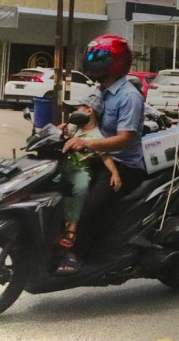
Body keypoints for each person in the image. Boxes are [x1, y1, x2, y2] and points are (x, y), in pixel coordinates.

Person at [62, 35, 146, 259]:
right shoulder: (99, 90)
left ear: (116, 63)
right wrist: (64, 128)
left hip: (125, 165)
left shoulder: (129, 97)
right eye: (90, 56)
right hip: (99, 157)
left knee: (91, 204)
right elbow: (85, 115)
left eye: (98, 57)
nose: (92, 61)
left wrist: (87, 143)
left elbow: (125, 139)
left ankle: (84, 256)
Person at [55, 93, 122, 275]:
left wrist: (115, 174)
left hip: (80, 170)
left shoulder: (96, 136)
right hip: (62, 168)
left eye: (78, 109)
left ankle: (73, 226)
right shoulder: (73, 128)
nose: (74, 112)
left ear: (89, 111)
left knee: (81, 187)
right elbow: (56, 133)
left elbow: (105, 156)